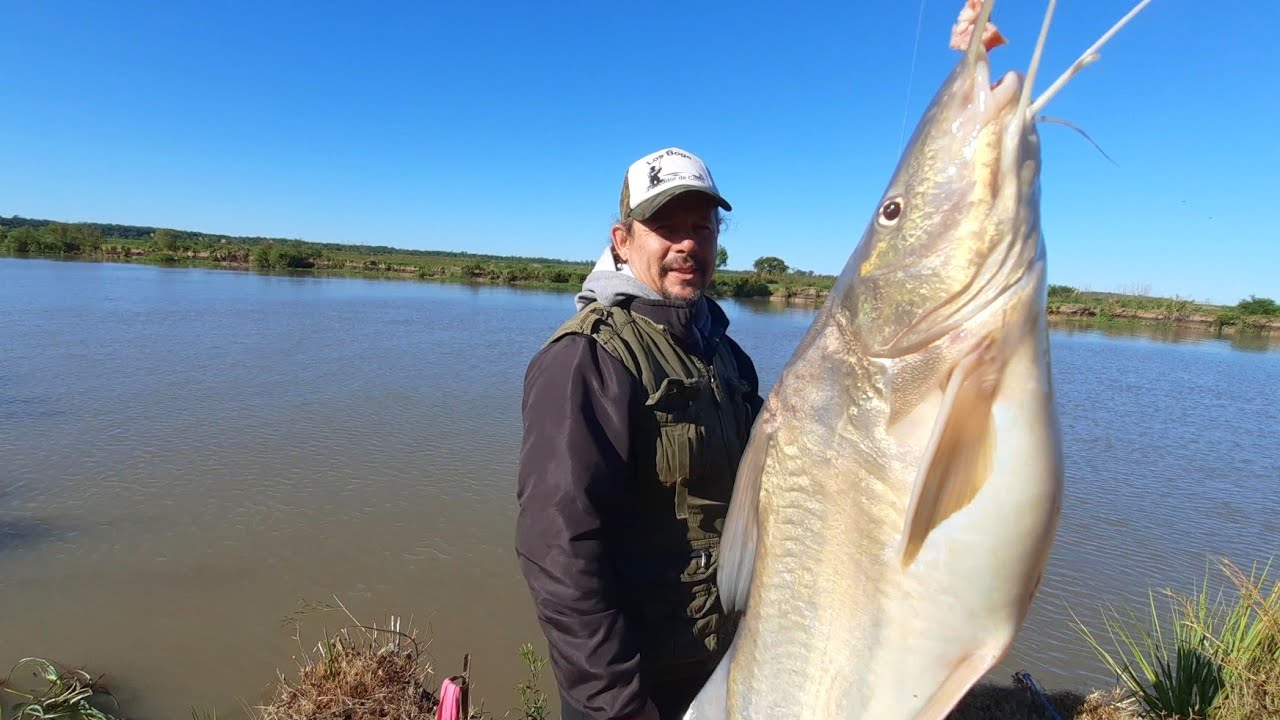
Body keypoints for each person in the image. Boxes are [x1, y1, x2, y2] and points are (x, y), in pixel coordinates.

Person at [515, 147, 764, 720]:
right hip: (636, 685)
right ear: (623, 241)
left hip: (726, 665)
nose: (687, 244)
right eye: (666, 227)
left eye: (701, 227)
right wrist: (616, 704)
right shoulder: (586, 360)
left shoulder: (730, 358)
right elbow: (558, 550)